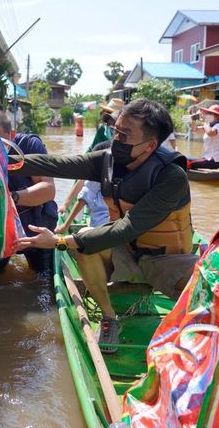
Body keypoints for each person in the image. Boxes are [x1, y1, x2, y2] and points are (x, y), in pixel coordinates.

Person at [12, 99, 198, 353]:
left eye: (125, 135)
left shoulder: (171, 177)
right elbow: (57, 164)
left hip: (168, 261)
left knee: (208, 302)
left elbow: (127, 227)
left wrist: (59, 241)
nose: (116, 139)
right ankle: (110, 318)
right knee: (87, 239)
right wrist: (2, 159)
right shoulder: (108, 161)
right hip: (127, 253)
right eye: (116, 131)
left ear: (151, 145)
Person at [0, 110, 57, 273]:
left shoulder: (30, 145)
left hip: (36, 227)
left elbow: (48, 190)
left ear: (12, 134)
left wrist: (10, 199)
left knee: (42, 280)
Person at [55, 141, 112, 233]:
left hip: (100, 226)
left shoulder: (97, 174)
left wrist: (64, 226)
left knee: (82, 234)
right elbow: (81, 182)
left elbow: (83, 199)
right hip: (117, 226)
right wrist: (65, 205)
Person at [186, 104, 219, 170]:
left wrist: (206, 121)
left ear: (217, 116)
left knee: (186, 161)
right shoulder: (209, 126)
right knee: (185, 159)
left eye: (210, 113)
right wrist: (194, 119)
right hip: (206, 158)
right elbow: (195, 129)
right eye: (208, 113)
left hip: (213, 160)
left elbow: (210, 133)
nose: (207, 115)